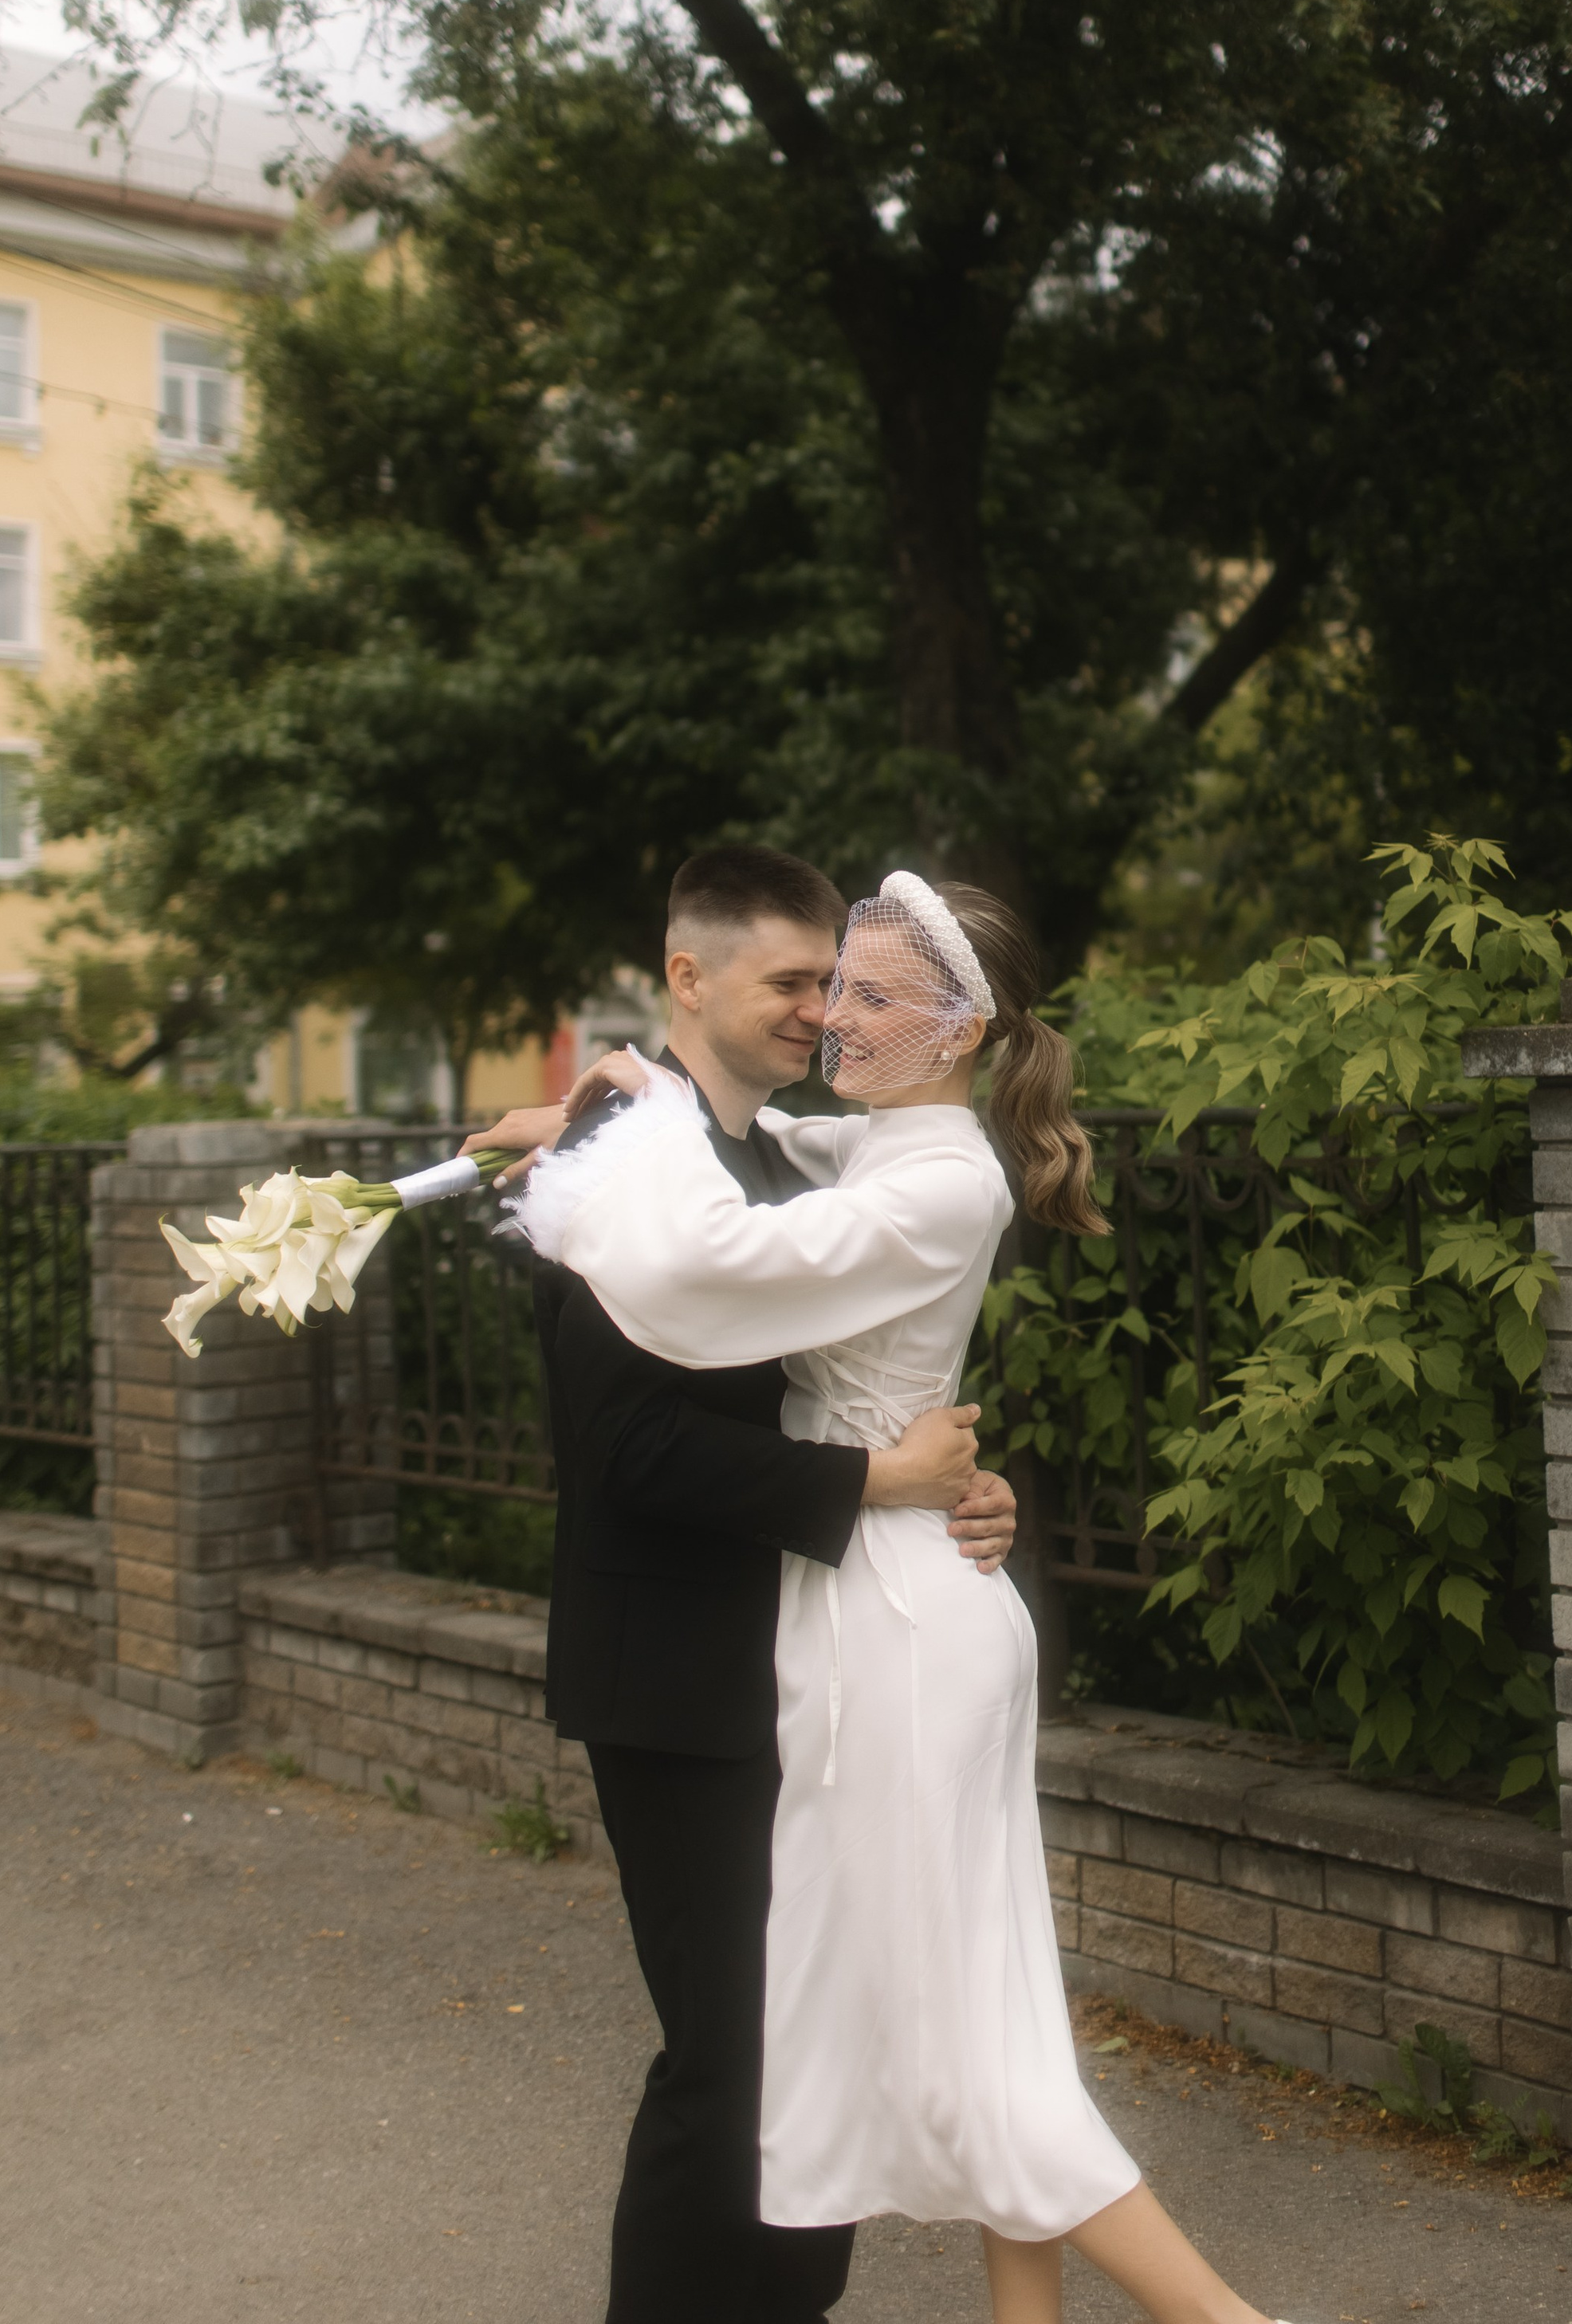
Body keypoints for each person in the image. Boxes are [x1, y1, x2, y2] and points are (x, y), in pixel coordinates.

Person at [522, 871, 1292, 2324]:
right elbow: (764, 1176)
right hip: (876, 1600)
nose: (835, 1021)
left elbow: (709, 1256)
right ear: (692, 979)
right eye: (823, 989)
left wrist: (636, 1100)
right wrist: (577, 1122)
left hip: (898, 1628)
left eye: (868, 995)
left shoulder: (925, 1173)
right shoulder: (867, 1150)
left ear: (959, 1028)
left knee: (944, 2041)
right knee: (967, 2014)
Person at [466, 846, 1018, 2324]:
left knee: (810, 2045)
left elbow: (835, 1383)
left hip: (802, 1658)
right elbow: (634, 1448)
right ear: (687, 979)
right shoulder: (620, 1172)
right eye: (793, 981)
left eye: (835, 983)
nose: (818, 1012)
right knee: (727, 2062)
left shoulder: (777, 1162)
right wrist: (870, 1488)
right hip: (676, 1672)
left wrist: (948, 1483)